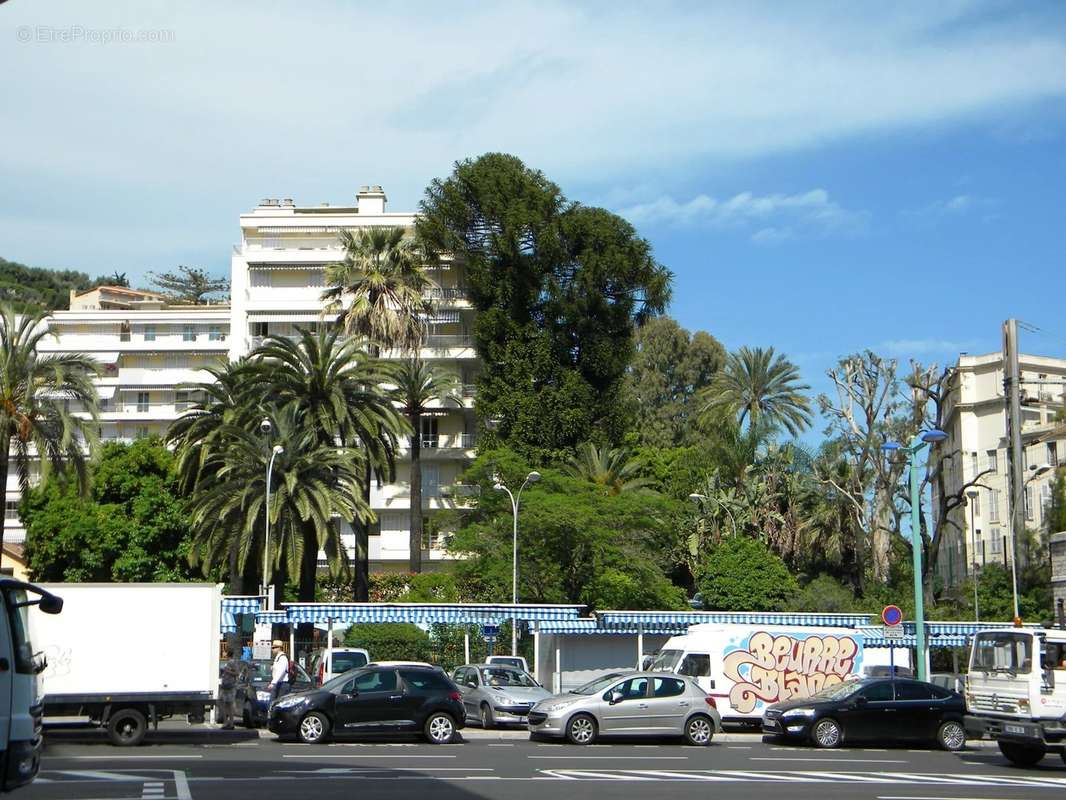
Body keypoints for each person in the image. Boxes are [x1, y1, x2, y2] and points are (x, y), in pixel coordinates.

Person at [218, 647, 242, 730]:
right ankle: (226, 722)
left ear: (227, 653)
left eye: (224, 652)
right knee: (224, 704)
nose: (223, 653)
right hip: (225, 685)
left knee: (229, 704)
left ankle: (230, 723)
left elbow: (237, 673)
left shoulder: (232, 662)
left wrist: (227, 671)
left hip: (230, 686)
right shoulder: (227, 662)